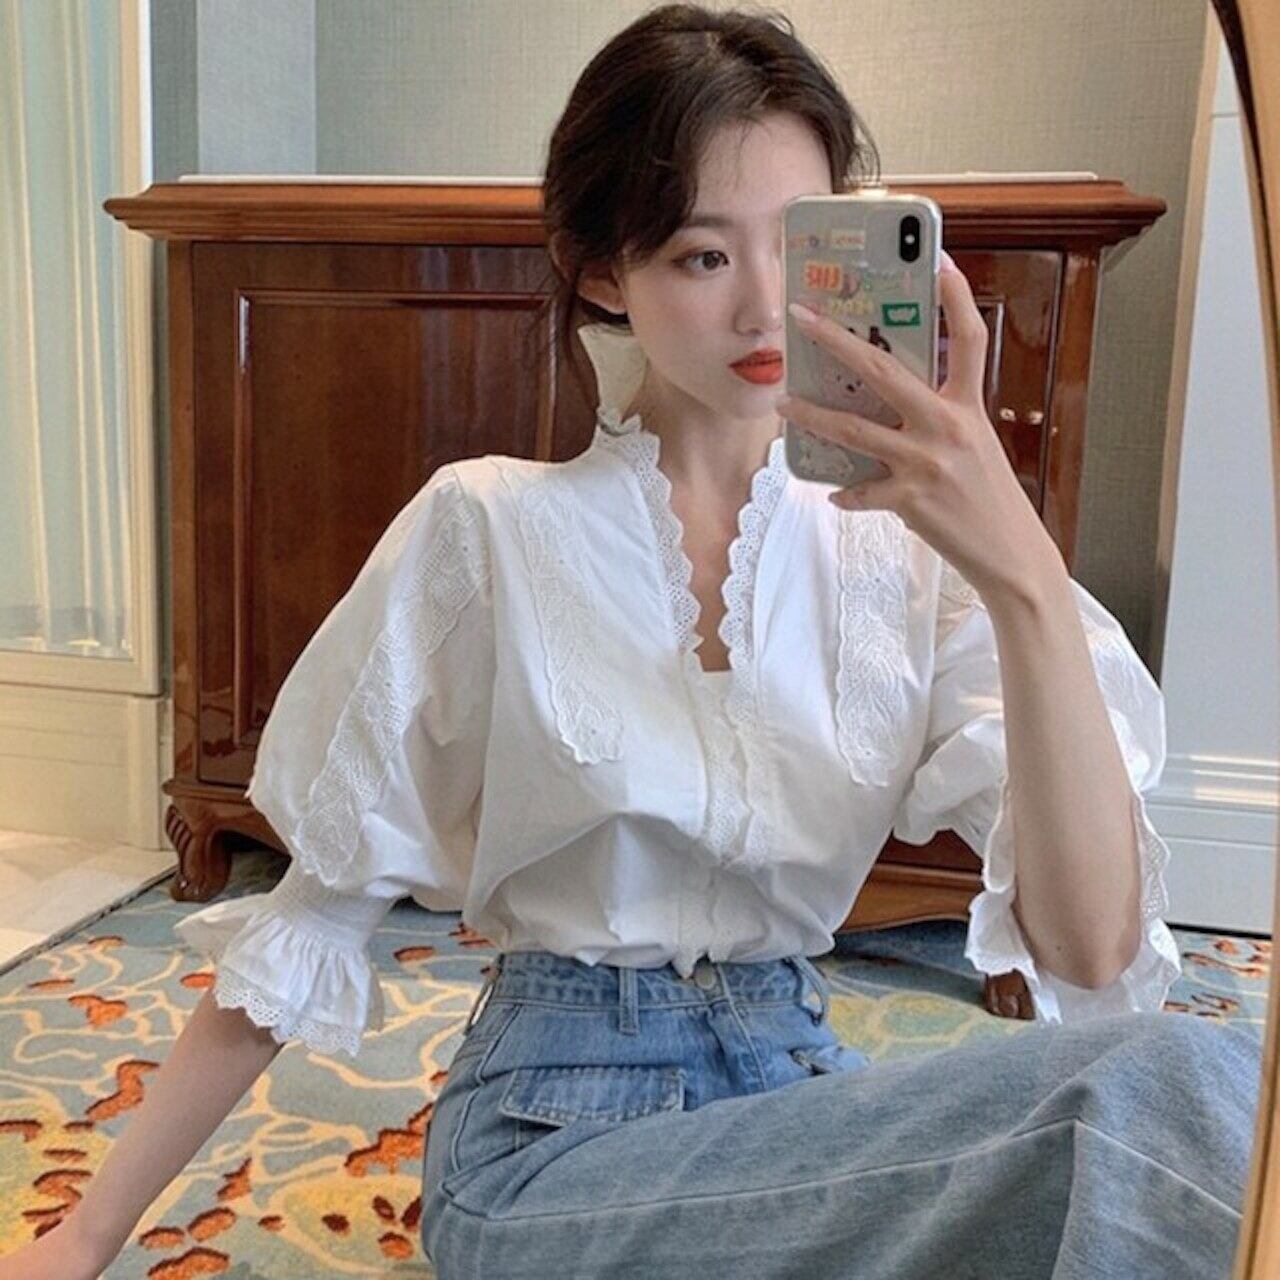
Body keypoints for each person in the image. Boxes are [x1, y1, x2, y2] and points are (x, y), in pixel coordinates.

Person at [1, 5, 1262, 1278]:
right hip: (553, 1137)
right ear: (604, 271)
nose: (763, 304)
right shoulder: (486, 528)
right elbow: (306, 924)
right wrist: (86, 1234)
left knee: (1177, 1121)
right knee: (1141, 1109)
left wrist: (1022, 576)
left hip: (798, 1105)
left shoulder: (908, 558)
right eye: (701, 255)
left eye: (798, 244)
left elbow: (1091, 957)